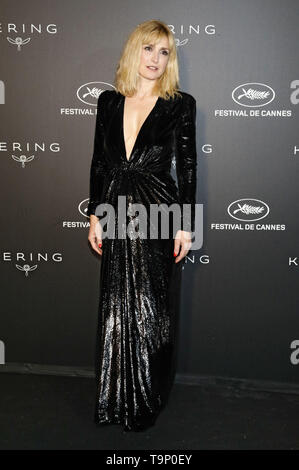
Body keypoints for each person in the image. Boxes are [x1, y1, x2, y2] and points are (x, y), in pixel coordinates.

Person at [87, 19, 197, 432]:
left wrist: (185, 224)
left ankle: (146, 398)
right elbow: (99, 162)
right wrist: (95, 216)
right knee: (117, 305)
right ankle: (114, 397)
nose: (155, 59)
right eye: (149, 49)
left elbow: (187, 166)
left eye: (164, 52)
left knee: (153, 307)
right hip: (115, 207)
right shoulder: (108, 101)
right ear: (135, 51)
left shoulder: (180, 104)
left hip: (158, 209)